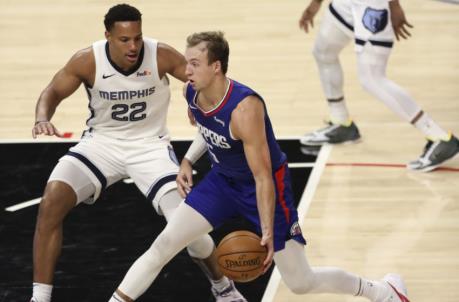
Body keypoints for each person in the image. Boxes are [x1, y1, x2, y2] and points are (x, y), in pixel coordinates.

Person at [109, 31, 410, 302]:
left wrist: (266, 230)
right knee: (163, 245)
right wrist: (188, 159)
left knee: (301, 282)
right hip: (223, 181)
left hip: (263, 187)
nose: (186, 70)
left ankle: (381, 292)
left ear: (216, 67)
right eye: (187, 62)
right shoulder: (192, 91)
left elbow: (263, 176)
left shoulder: (245, 109)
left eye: (195, 63)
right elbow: (206, 127)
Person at [30, 5, 246, 302]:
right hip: (101, 145)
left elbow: (205, 80)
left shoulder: (160, 55)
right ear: (107, 36)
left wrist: (194, 99)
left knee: (189, 227)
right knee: (51, 200)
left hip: (150, 147)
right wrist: (43, 117)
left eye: (138, 38)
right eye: (124, 40)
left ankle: (224, 288)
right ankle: (39, 298)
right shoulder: (87, 60)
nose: (133, 46)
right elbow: (52, 92)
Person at [298, 0, 459, 172]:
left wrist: (394, 4)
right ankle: (341, 123)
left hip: (372, 5)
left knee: (372, 79)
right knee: (323, 52)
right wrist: (315, 3)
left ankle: (440, 137)